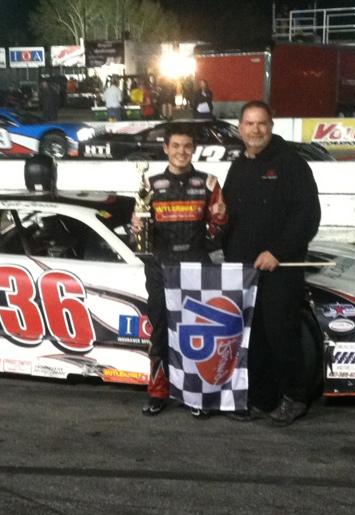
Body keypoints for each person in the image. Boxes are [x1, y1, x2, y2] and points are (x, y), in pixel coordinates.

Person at [221, 100, 321, 426]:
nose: (255, 130)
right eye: (249, 124)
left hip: (280, 269)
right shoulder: (238, 167)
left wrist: (277, 252)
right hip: (245, 272)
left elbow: (308, 216)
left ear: (271, 126)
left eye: (261, 123)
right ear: (240, 129)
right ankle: (263, 399)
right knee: (254, 338)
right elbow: (229, 218)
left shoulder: (291, 164)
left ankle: (295, 397)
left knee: (282, 335)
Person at [130, 122, 228, 418]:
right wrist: (137, 229)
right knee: (160, 331)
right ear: (166, 149)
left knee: (195, 332)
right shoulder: (149, 185)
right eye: (175, 146)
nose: (181, 152)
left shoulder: (209, 183)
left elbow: (218, 234)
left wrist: (220, 220)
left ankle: (196, 394)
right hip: (160, 268)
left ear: (194, 149)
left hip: (197, 266)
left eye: (187, 146)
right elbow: (139, 237)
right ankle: (158, 392)